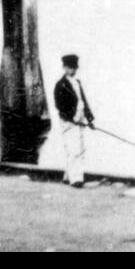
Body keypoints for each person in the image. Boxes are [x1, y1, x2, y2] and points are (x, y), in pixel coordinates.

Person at [52, 53, 94, 188]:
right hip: (69, 122)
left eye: (75, 68)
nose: (73, 70)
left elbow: (83, 101)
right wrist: (72, 119)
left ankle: (68, 175)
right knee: (73, 149)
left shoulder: (77, 82)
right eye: (70, 68)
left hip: (80, 120)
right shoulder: (60, 85)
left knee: (80, 148)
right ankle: (76, 179)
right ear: (64, 67)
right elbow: (60, 106)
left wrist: (90, 119)